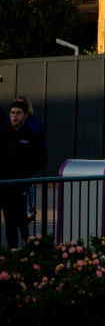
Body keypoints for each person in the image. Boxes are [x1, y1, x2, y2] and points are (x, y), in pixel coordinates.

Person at [1, 100, 47, 247]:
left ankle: (26, 244)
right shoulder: (3, 135)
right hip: (5, 185)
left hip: (21, 185)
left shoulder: (31, 136)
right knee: (9, 219)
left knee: (21, 217)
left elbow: (43, 157)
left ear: (25, 115)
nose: (15, 116)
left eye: (18, 113)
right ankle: (12, 249)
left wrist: (29, 171)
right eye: (12, 113)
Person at [13, 96, 44, 224]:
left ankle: (29, 210)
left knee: (28, 186)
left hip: (29, 160)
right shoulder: (12, 121)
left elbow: (41, 141)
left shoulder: (35, 122)